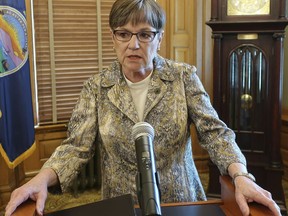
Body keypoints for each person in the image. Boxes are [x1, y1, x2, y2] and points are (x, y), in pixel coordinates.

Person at [5, 0, 281, 216]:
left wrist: (241, 175)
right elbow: (76, 147)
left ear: (159, 38)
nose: (133, 44)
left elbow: (215, 134)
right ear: (113, 38)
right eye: (123, 33)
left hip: (181, 202)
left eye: (145, 34)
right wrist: (39, 179)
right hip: (120, 205)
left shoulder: (182, 77)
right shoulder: (97, 87)